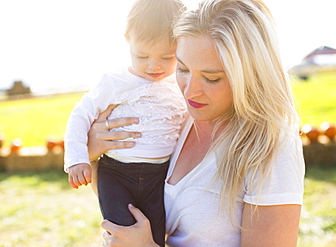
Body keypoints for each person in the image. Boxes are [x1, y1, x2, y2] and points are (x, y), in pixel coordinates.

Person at [89, 0, 305, 246]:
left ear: (252, 75)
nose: (190, 92)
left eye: (211, 78)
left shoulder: (271, 146)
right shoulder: (175, 117)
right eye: (182, 68)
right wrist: (93, 156)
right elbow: (130, 202)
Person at [63, 0, 187, 246]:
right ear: (127, 39)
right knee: (121, 237)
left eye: (167, 57)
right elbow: (81, 114)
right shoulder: (115, 82)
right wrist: (77, 158)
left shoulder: (180, 84)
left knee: (154, 238)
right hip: (116, 173)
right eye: (142, 55)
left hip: (158, 176)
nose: (154, 65)